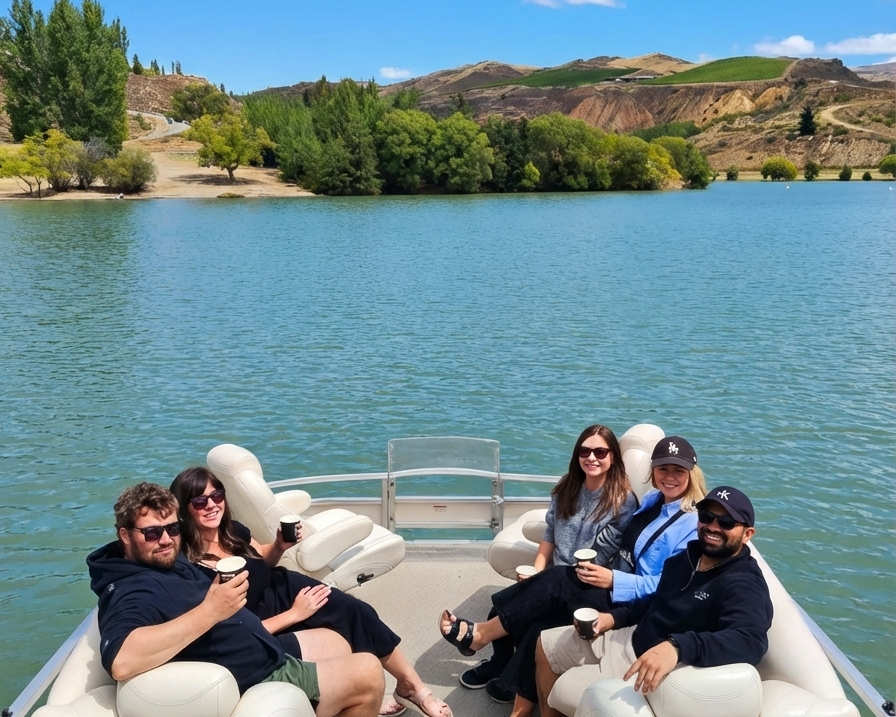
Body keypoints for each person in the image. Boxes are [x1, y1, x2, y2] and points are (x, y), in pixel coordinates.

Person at [170, 466, 451, 717]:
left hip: (282, 586)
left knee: (354, 611)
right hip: (258, 620)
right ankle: (360, 693)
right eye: (199, 501)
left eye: (217, 495)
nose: (211, 505)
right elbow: (234, 631)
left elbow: (261, 560)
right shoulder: (190, 564)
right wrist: (295, 614)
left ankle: (411, 686)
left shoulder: (231, 530)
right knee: (338, 634)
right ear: (184, 509)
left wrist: (279, 546)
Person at [87, 482, 384, 717]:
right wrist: (212, 610)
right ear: (125, 536)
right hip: (255, 677)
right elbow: (122, 662)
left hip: (261, 650)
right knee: (368, 674)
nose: (166, 540)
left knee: (338, 640)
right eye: (151, 533)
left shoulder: (161, 561)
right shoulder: (129, 590)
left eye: (173, 528)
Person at [439, 424, 639, 715]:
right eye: (585, 451)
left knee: (536, 616)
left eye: (600, 452)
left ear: (613, 457)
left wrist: (551, 578)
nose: (591, 458)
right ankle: (501, 664)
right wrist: (536, 571)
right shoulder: (567, 487)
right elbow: (550, 535)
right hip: (556, 576)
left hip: (592, 584)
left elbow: (601, 556)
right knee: (515, 606)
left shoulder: (622, 501)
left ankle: (487, 647)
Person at [534, 485, 773, 717]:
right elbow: (656, 600)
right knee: (545, 644)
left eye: (726, 522)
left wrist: (678, 647)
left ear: (747, 534)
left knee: (563, 688)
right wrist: (614, 617)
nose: (712, 527)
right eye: (706, 516)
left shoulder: (744, 583)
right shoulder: (687, 557)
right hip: (633, 636)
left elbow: (750, 641)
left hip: (647, 667)